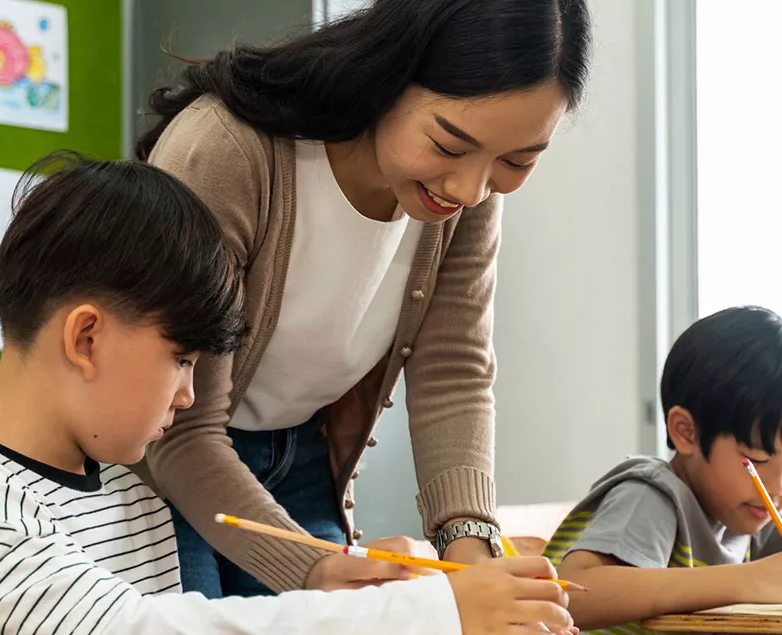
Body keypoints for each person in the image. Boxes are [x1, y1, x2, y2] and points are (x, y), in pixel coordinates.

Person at [0, 153, 575, 635]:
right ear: (87, 338)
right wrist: (430, 614)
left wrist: (368, 579)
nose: (189, 396)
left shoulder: (129, 494)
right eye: (181, 360)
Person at [132, 0, 593, 598]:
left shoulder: (469, 196)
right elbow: (181, 430)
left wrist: (472, 551)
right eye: (449, 145)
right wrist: (310, 568)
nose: (470, 189)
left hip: (302, 454)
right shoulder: (228, 151)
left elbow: (453, 370)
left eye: (516, 161)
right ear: (387, 75)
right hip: (163, 457)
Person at [543, 307, 782, 633]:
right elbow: (577, 593)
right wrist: (754, 579)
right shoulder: (652, 495)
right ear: (686, 432)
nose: (780, 486)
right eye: (757, 460)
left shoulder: (756, 517)